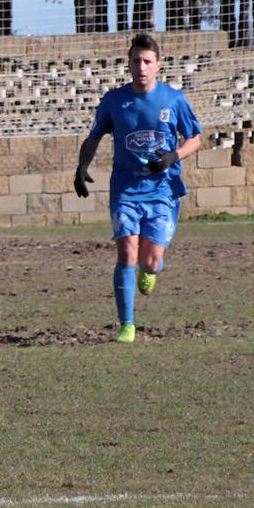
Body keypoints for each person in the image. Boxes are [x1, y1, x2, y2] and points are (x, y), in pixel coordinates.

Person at [73, 32, 202, 343]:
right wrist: (82, 167)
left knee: (149, 261)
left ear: (158, 65)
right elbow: (93, 138)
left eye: (147, 61)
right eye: (136, 61)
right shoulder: (114, 101)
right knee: (127, 252)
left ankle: (152, 268)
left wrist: (173, 156)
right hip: (126, 190)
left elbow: (195, 138)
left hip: (162, 191)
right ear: (128, 65)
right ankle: (126, 325)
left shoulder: (174, 100)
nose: (141, 66)